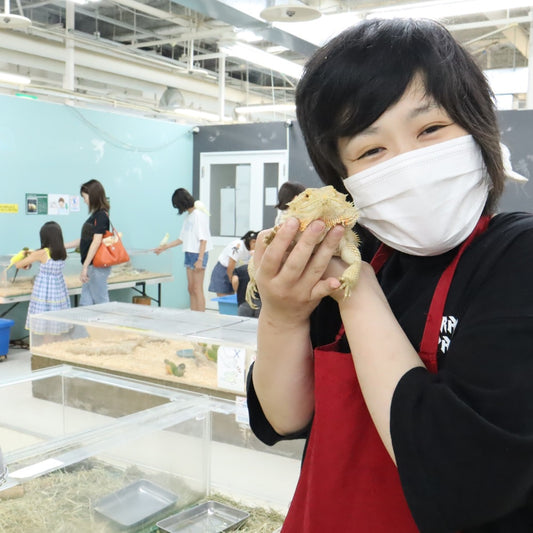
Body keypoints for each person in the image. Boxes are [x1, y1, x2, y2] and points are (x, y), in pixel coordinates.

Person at [246, 18, 533, 533]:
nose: (408, 162)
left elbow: (462, 481)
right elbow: (285, 417)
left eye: (431, 129)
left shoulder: (517, 255)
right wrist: (283, 314)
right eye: (371, 150)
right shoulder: (354, 251)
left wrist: (355, 291)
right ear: (344, 178)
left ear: (479, 129)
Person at [155, 188, 212, 311]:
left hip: (198, 254)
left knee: (197, 289)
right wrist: (164, 248)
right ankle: (192, 315)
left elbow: (204, 239)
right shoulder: (188, 217)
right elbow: (182, 239)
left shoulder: (198, 216)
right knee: (191, 288)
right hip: (189, 253)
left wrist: (200, 259)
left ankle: (200, 318)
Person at [15, 221, 71, 336]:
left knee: (45, 322)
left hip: (44, 290)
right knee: (55, 320)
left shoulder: (41, 253)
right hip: (59, 290)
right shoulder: (61, 251)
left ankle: (45, 347)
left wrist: (26, 255)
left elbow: (18, 265)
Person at [65, 179, 111, 305]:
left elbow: (96, 242)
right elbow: (85, 240)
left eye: (85, 197)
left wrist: (85, 267)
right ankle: (85, 325)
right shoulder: (94, 216)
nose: (84, 200)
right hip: (91, 267)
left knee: (102, 302)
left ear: (93, 195)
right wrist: (62, 246)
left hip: (96, 266)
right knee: (85, 304)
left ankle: (105, 325)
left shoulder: (101, 215)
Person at [208, 231, 258, 297]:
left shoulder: (251, 250)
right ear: (253, 242)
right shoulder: (238, 246)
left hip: (235, 273)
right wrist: (234, 284)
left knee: (234, 298)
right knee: (225, 299)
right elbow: (230, 266)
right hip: (224, 271)